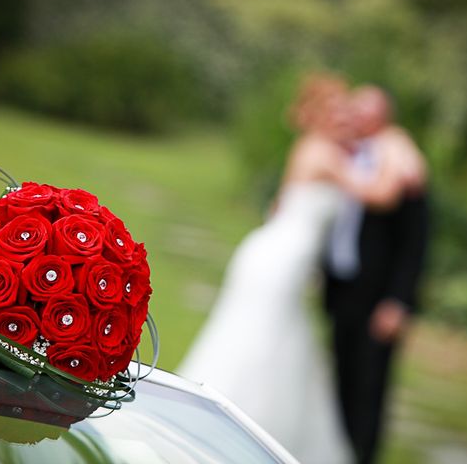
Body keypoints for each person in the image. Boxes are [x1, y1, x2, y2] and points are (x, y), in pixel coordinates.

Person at [178, 75, 421, 463]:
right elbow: (381, 194)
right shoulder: (323, 154)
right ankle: (236, 422)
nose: (346, 119)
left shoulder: (321, 150)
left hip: (277, 256)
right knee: (258, 337)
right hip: (278, 261)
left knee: (274, 337)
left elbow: (279, 205)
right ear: (321, 115)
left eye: (348, 111)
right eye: (338, 111)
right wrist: (396, 144)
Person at [323, 86, 429, 464]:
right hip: (341, 289)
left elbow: (415, 243)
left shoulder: (404, 164)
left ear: (385, 119)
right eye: (356, 110)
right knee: (339, 379)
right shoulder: (340, 153)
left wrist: (399, 301)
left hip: (379, 296)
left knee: (370, 387)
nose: (359, 118)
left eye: (368, 112)